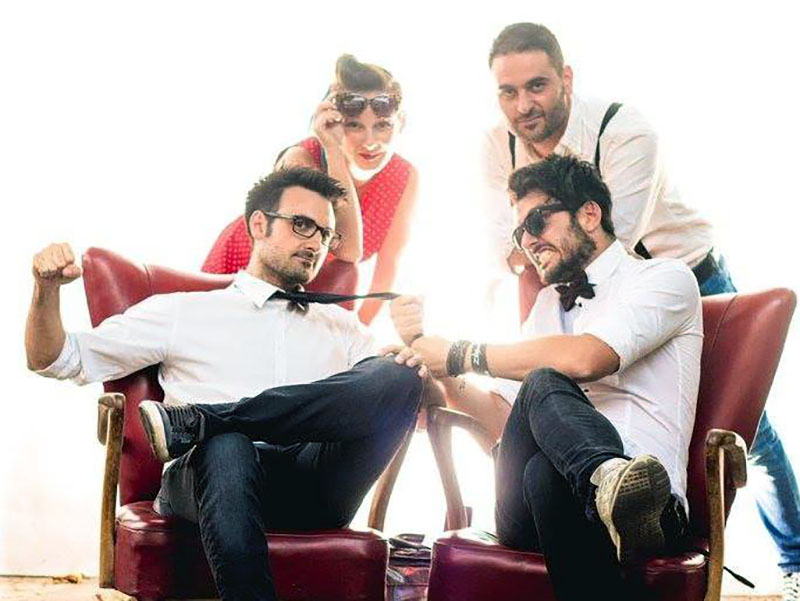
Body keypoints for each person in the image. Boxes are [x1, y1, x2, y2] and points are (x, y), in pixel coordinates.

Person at [481, 22, 800, 597]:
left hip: (679, 271)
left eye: (537, 86)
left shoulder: (623, 131)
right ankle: (607, 478)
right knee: (545, 454)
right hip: (577, 287)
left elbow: (614, 244)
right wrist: (438, 375)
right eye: (509, 91)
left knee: (751, 430)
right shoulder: (500, 156)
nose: (523, 105)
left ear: (565, 78)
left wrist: (468, 352)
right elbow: (507, 262)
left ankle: (794, 556)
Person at [26, 167, 424, 601]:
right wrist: (46, 290)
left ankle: (204, 420)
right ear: (259, 224)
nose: (315, 244)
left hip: (313, 488)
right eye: (302, 225)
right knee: (228, 444)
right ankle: (214, 429)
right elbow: (56, 359)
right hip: (209, 478)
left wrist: (414, 344)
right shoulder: (184, 312)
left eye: (325, 234)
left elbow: (401, 402)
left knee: (401, 374)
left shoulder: (343, 327)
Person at [390, 155, 701, 601]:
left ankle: (617, 490)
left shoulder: (664, 278)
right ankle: (605, 480)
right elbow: (503, 418)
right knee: (540, 405)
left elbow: (588, 358)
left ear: (589, 214)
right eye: (520, 232)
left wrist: (461, 354)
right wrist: (431, 363)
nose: (528, 241)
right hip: (525, 516)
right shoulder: (545, 305)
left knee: (543, 472)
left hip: (651, 516)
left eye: (537, 221)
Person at [203, 54, 418, 326]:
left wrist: (358, 337)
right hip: (250, 274)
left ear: (401, 123)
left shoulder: (404, 176)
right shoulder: (301, 157)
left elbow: (388, 268)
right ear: (335, 121)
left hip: (308, 288)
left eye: (383, 125)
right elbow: (348, 249)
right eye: (354, 125)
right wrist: (333, 148)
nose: (370, 141)